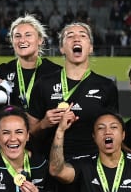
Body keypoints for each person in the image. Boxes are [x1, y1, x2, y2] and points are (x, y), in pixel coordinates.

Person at [29, 22, 118, 160]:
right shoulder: (43, 84)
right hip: (51, 165)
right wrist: (44, 124)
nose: (76, 38)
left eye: (82, 35)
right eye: (70, 36)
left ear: (90, 48)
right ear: (62, 48)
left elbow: (114, 133)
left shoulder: (106, 86)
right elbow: (30, 134)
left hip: (93, 168)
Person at [0, 15, 61, 110]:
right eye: (17, 36)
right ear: (12, 41)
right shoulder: (2, 71)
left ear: (40, 40)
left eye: (28, 35)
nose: (22, 40)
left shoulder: (55, 72)